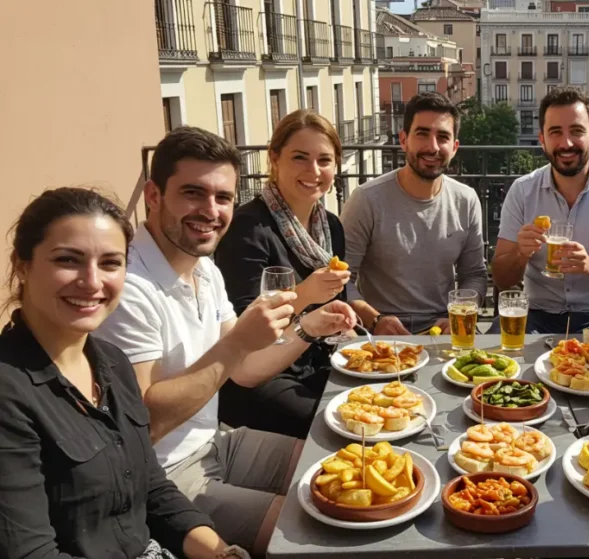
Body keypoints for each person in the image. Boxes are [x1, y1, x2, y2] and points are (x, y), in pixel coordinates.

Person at [95, 127, 357, 554]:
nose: (210, 211)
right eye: (193, 193)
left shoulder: (204, 270)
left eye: (223, 197)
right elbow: (144, 424)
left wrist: (307, 329)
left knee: (343, 467)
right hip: (164, 473)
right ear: (154, 195)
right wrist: (237, 344)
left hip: (217, 442)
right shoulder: (129, 288)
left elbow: (246, 372)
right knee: (315, 528)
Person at [0, 188, 247, 559]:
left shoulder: (112, 363)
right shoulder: (10, 391)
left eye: (110, 263)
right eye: (68, 260)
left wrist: (221, 551)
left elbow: (150, 485)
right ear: (22, 265)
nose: (92, 281)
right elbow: (30, 551)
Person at [215, 110, 349, 439]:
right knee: (337, 427)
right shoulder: (247, 229)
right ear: (275, 159)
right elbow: (244, 337)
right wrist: (305, 293)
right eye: (300, 157)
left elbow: (330, 311)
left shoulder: (330, 226)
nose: (313, 171)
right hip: (262, 377)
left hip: (318, 362)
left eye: (324, 160)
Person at [490, 86, 589, 352]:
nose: (566, 143)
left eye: (576, 131)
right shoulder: (522, 191)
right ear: (542, 139)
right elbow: (501, 278)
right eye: (555, 132)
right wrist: (520, 254)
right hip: (535, 314)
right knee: (496, 363)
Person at [339, 92, 487, 335]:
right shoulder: (366, 199)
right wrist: (375, 320)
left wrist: (459, 313)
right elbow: (341, 281)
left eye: (443, 137)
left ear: (454, 147)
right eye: (422, 134)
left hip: (444, 327)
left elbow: (474, 274)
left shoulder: (466, 199)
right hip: (382, 333)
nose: (433, 147)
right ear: (403, 140)